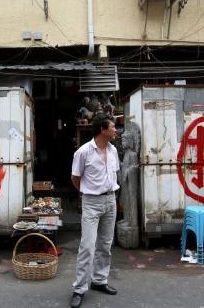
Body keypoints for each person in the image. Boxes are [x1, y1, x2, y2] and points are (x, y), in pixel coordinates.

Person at [70, 114, 120, 308]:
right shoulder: (83, 152)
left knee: (105, 245)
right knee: (87, 246)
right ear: (102, 130)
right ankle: (79, 288)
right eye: (113, 127)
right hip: (91, 202)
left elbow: (114, 174)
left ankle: (99, 281)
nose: (115, 130)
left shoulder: (113, 150)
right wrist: (87, 192)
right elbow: (75, 178)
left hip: (110, 200)